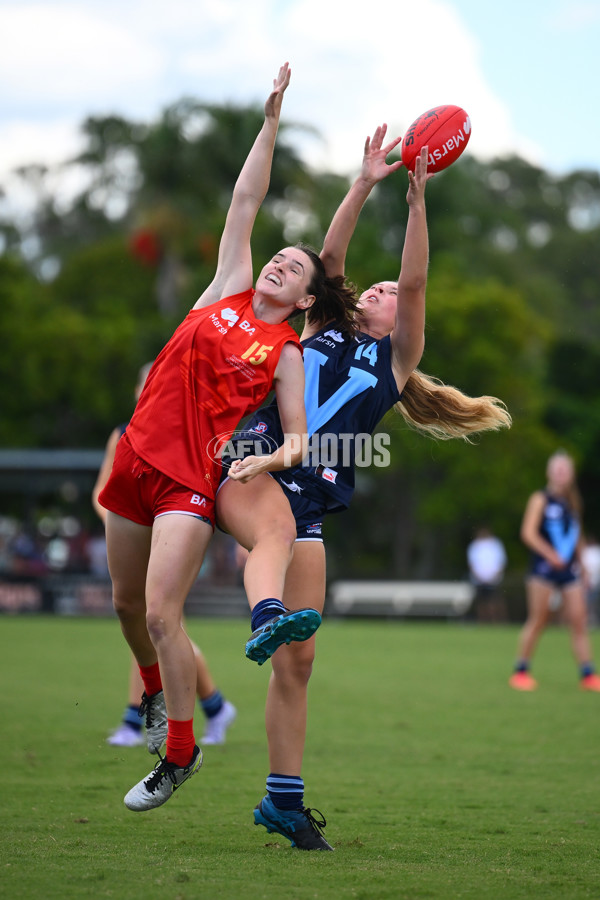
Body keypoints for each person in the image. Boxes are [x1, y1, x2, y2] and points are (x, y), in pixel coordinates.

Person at [216, 127, 512, 849]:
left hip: (311, 500)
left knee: (301, 661)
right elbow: (331, 258)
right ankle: (259, 614)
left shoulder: (396, 362)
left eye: (384, 293)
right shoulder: (323, 320)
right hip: (259, 463)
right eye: (371, 288)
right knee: (276, 592)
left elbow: (416, 283)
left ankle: (283, 801)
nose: (376, 290)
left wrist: (418, 204)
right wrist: (364, 184)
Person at [98, 63, 356, 813]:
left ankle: (180, 752)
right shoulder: (224, 291)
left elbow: (300, 441)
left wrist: (265, 459)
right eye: (279, 256)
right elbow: (246, 200)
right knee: (124, 606)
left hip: (189, 480)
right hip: (134, 457)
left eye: (295, 267)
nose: (278, 262)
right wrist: (270, 124)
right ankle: (155, 691)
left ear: (304, 298)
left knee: (159, 614)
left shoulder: (286, 352)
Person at [92, 363, 236, 749]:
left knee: (159, 627)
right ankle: (215, 706)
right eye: (145, 383)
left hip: (168, 542)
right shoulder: (123, 434)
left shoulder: (187, 432)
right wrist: (122, 525)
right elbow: (104, 490)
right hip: (133, 538)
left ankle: (137, 720)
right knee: (155, 628)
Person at [509, 450, 600, 692]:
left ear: (571, 474)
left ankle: (588, 674)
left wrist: (583, 566)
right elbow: (528, 533)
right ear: (549, 472)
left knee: (579, 620)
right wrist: (552, 556)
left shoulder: (573, 502)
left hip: (568, 570)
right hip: (543, 569)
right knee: (538, 620)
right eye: (557, 469)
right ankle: (520, 671)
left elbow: (576, 535)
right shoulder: (540, 499)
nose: (561, 473)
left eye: (565, 470)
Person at [466, 526, 507, 623]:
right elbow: (471, 563)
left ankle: (498, 621)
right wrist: (479, 577)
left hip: (494, 579)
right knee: (481, 602)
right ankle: (483, 621)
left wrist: (495, 576)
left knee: (495, 600)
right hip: (479, 579)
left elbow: (501, 561)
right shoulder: (474, 545)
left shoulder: (495, 544)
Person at [582, 534, 600, 626]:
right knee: (587, 602)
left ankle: (592, 619)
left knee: (592, 602)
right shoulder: (587, 551)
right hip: (588, 582)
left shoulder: (595, 551)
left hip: (595, 582)